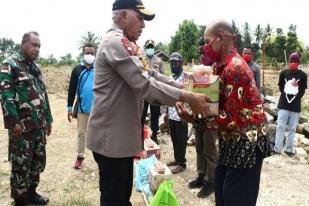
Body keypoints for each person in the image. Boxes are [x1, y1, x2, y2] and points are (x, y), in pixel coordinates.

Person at [85, 0, 210, 205]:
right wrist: (187, 97)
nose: (143, 25)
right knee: (114, 198)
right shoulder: (115, 42)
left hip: (119, 140)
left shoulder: (128, 44)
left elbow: (152, 74)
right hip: (111, 141)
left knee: (121, 195)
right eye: (140, 18)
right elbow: (145, 85)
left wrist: (186, 89)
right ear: (123, 16)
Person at [177, 19, 272, 206]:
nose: (204, 47)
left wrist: (192, 119)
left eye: (206, 41)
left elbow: (229, 120)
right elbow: (215, 105)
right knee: (222, 191)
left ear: (220, 39)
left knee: (236, 197)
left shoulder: (235, 68)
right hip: (231, 139)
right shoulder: (218, 67)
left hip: (247, 141)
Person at [0, 31, 53, 206]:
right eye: (34, 45)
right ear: (23, 44)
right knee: (21, 162)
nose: (37, 49)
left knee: (37, 160)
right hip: (21, 127)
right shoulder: (10, 64)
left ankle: (31, 192)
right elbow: (6, 96)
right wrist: (13, 123)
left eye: (39, 46)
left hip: (38, 125)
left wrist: (48, 119)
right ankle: (20, 198)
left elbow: (43, 95)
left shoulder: (35, 68)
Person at [187, 38, 218, 199]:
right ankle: (201, 175)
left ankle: (210, 181)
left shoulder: (216, 65)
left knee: (210, 150)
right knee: (199, 146)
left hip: (211, 114)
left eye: (204, 48)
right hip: (198, 112)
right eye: (200, 48)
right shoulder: (199, 66)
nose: (202, 51)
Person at [67, 44, 95, 169]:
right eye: (87, 53)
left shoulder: (99, 69)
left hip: (97, 108)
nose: (89, 55)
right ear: (83, 54)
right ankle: (80, 157)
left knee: (98, 133)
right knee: (81, 133)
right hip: (82, 108)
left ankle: (100, 158)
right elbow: (72, 89)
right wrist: (69, 107)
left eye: (92, 53)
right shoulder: (77, 70)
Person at [274, 52, 307, 157]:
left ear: (299, 62)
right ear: (289, 61)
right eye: (291, 61)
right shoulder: (283, 73)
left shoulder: (303, 75)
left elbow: (302, 91)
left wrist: (295, 99)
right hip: (283, 104)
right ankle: (277, 149)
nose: (293, 63)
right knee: (280, 126)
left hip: (295, 107)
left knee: (292, 128)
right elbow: (281, 87)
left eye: (295, 61)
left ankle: (289, 149)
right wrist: (286, 95)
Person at [165, 52, 188, 174]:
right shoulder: (170, 76)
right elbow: (169, 96)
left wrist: (186, 115)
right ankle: (176, 159)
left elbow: (189, 98)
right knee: (174, 139)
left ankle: (182, 163)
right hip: (172, 114)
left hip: (181, 115)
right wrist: (167, 112)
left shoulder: (186, 78)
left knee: (181, 140)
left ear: (181, 63)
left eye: (176, 62)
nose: (173, 64)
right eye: (172, 62)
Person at [141, 39, 163, 144]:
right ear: (145, 48)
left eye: (151, 47)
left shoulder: (159, 60)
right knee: (142, 112)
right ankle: (140, 133)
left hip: (155, 90)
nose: (150, 49)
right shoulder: (141, 59)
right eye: (148, 47)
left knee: (155, 113)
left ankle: (154, 134)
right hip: (144, 90)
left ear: (154, 48)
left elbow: (162, 75)